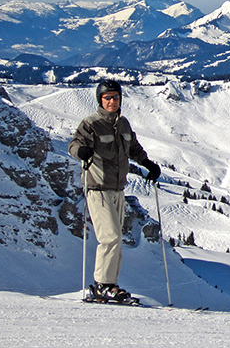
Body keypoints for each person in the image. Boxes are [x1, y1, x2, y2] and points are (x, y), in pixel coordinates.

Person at [69, 79, 161, 302]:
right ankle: (103, 285)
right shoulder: (91, 124)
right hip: (98, 187)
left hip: (118, 189)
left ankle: (110, 285)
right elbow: (74, 144)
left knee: (116, 239)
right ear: (100, 100)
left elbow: (133, 148)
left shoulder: (124, 125)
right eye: (107, 98)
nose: (112, 101)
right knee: (110, 237)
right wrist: (81, 151)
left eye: (115, 97)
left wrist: (148, 163)